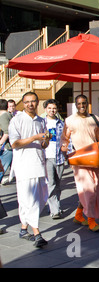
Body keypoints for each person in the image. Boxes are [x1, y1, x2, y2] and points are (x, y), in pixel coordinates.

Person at [61, 94, 99, 232]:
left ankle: (78, 215)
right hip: (79, 159)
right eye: (79, 104)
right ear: (75, 105)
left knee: (95, 188)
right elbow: (64, 139)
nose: (81, 106)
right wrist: (64, 150)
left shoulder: (95, 119)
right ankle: (91, 220)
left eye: (84, 103)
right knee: (89, 189)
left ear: (87, 103)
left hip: (95, 158)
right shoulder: (69, 120)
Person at [9, 92, 50, 248]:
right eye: (27, 102)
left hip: (39, 163)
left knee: (40, 197)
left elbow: (44, 144)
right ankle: (37, 233)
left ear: (37, 102)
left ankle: (23, 228)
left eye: (33, 101)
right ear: (23, 103)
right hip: (24, 165)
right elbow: (14, 143)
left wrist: (45, 140)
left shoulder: (41, 120)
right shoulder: (16, 120)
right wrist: (34, 138)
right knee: (29, 199)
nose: (30, 104)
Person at [43, 99, 65, 219]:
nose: (52, 110)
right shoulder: (42, 123)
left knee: (57, 184)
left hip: (60, 157)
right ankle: (54, 210)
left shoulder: (61, 123)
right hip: (47, 157)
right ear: (45, 109)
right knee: (50, 183)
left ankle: (55, 205)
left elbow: (66, 140)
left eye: (54, 108)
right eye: (50, 108)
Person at [0, 99, 13, 185]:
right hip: (10, 148)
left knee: (1, 170)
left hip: (7, 148)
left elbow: (7, 132)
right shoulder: (9, 115)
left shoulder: (3, 117)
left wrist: (0, 143)